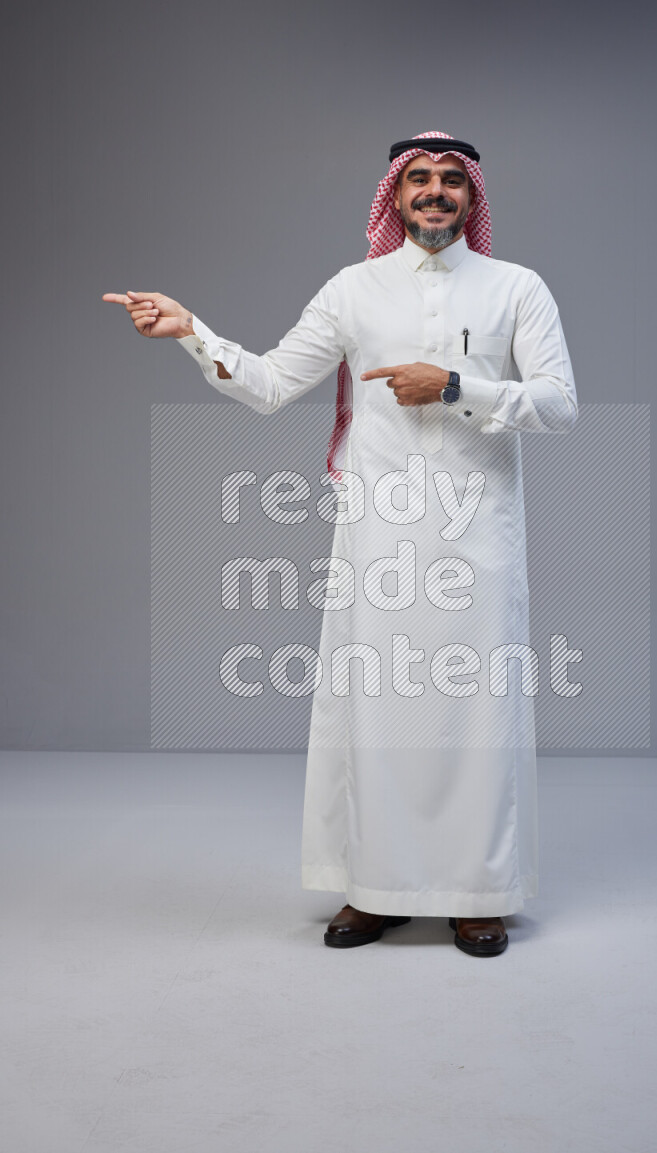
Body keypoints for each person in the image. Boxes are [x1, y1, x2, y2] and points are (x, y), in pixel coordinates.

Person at [103, 130, 578, 958]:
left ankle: (478, 894)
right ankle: (374, 889)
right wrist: (190, 330)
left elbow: (559, 404)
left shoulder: (516, 289)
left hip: (480, 536)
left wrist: (457, 385)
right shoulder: (353, 291)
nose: (434, 192)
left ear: (472, 197)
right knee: (375, 710)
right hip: (378, 537)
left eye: (450, 181)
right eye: (418, 180)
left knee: (476, 713)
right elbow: (272, 384)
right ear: (394, 197)